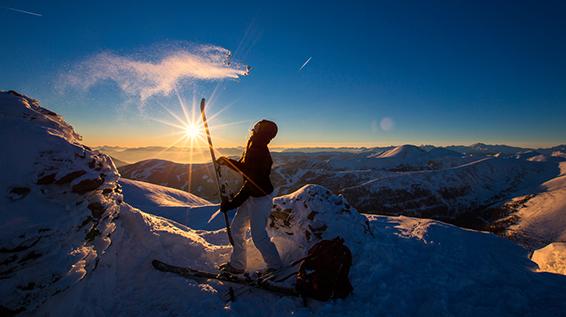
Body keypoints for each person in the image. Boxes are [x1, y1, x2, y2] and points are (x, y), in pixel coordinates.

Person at [216, 119, 283, 274]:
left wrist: (232, 204)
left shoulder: (259, 151)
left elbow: (251, 183)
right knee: (237, 228)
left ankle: (276, 267)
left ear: (262, 131)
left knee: (258, 235)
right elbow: (247, 169)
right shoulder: (254, 146)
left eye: (257, 127)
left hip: (260, 197)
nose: (253, 128)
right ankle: (238, 265)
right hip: (253, 195)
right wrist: (228, 162)